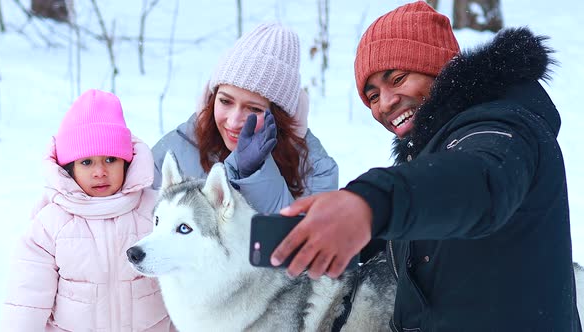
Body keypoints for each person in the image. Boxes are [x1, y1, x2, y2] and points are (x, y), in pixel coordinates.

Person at [270, 1, 582, 330]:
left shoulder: (503, 130)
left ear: (438, 66)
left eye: (398, 78)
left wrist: (369, 205)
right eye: (372, 95)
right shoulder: (432, 158)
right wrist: (348, 232)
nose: (385, 103)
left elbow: (476, 184)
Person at [1, 90, 174, 331]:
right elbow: (27, 299)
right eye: (86, 162)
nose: (100, 171)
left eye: (111, 159)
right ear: (70, 167)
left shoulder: (156, 212)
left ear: (127, 161)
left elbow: (184, 283)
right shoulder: (51, 224)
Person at [152, 23, 338, 213]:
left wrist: (256, 175)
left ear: (279, 116)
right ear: (212, 97)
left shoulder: (315, 171)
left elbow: (295, 238)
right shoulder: (175, 150)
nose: (233, 122)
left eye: (254, 109)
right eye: (225, 101)